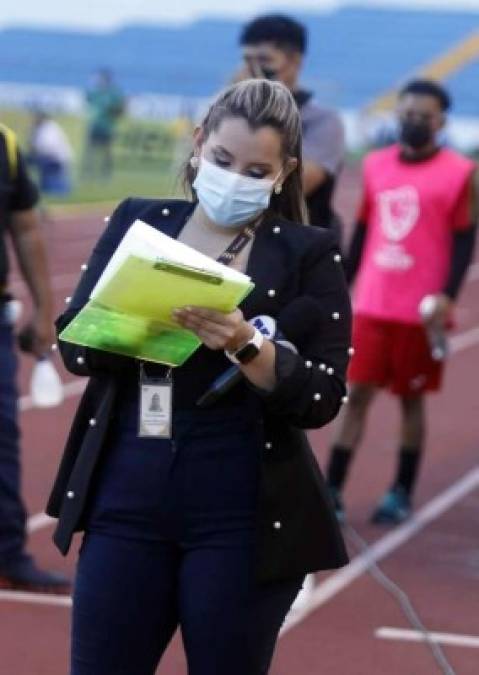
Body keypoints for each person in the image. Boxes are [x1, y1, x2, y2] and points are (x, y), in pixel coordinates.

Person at [47, 79, 352, 675]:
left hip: (241, 514)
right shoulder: (141, 222)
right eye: (222, 160)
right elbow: (75, 348)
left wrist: (246, 344)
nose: (235, 178)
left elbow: (321, 396)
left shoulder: (307, 252)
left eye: (256, 169)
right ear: (197, 144)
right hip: (126, 497)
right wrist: (140, 322)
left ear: (284, 172)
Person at [326, 80, 478, 525]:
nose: (412, 121)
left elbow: (465, 240)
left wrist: (447, 298)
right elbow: (362, 233)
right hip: (373, 303)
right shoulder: (375, 165)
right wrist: (343, 288)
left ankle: (400, 492)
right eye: (406, 113)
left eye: (422, 116)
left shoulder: (460, 172)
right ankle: (332, 489)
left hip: (420, 309)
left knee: (410, 401)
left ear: (441, 121)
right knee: (355, 397)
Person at [0, 123, 70, 592]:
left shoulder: (3, 143)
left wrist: (45, 310)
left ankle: (8, 553)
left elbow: (25, 226)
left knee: (3, 440)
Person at [239, 14, 345, 238]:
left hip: (296, 248)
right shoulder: (235, 114)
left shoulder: (322, 122)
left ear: (295, 61)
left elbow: (296, 186)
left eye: (264, 60)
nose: (253, 70)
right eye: (247, 60)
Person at [83, 69, 125, 180]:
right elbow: (87, 98)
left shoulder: (114, 93)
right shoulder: (95, 92)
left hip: (107, 127)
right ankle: (88, 173)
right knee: (90, 151)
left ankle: (105, 175)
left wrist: (113, 111)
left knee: (107, 153)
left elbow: (120, 109)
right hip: (95, 125)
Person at [28, 110, 73, 197]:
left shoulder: (48, 128)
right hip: (53, 159)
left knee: (31, 160)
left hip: (55, 159)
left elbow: (46, 148)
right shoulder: (43, 128)